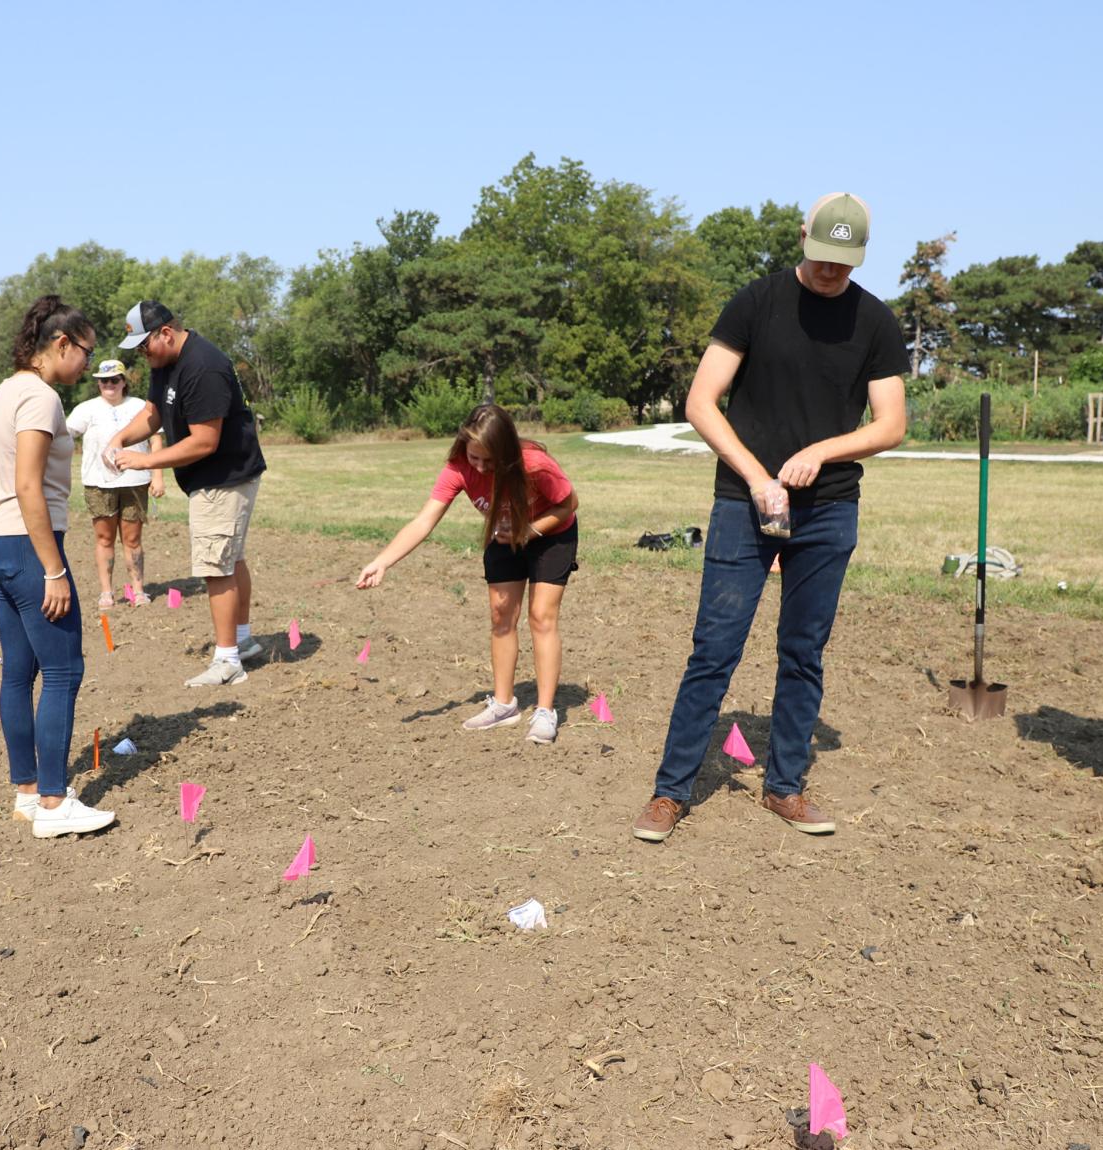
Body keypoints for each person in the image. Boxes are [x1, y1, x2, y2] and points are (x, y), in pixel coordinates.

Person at [631, 193, 907, 843]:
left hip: (829, 508)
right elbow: (701, 401)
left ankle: (784, 786)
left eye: (844, 262)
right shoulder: (755, 303)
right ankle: (670, 792)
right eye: (821, 257)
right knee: (714, 649)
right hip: (741, 503)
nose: (830, 272)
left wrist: (821, 451)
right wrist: (757, 478)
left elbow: (891, 424)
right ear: (803, 236)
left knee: (803, 652)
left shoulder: (875, 322)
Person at [0, 295, 116, 838]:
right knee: (63, 670)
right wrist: (54, 569)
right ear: (61, 344)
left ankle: (28, 792)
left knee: (18, 671)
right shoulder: (40, 398)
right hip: (27, 547)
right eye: (86, 352)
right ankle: (56, 804)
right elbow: (28, 485)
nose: (89, 364)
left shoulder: (7, 389)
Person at [356, 404, 579, 743]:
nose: (480, 467)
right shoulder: (458, 467)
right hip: (505, 536)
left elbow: (569, 504)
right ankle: (504, 705)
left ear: (506, 451)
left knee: (541, 617)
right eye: (474, 458)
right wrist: (383, 561)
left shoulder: (534, 464)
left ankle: (545, 711)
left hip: (552, 534)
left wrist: (529, 531)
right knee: (501, 615)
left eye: (489, 461)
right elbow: (423, 521)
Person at [104, 301, 267, 686]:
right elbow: (154, 412)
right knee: (230, 558)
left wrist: (145, 461)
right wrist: (121, 437)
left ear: (166, 333)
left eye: (145, 345)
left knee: (216, 565)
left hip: (224, 477)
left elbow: (204, 442)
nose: (143, 354)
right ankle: (241, 643)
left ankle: (228, 661)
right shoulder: (165, 364)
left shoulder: (203, 367)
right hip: (214, 477)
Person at [66, 358, 163, 610]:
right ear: (98, 383)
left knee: (132, 539)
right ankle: (106, 592)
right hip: (98, 484)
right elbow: (64, 436)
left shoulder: (141, 406)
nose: (109, 385)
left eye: (114, 380)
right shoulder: (85, 409)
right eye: (103, 381)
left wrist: (158, 475)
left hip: (136, 482)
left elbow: (155, 441)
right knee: (104, 538)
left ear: (123, 382)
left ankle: (138, 591)